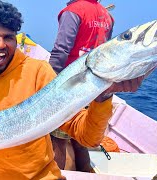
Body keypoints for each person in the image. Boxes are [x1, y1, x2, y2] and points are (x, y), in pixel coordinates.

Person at [0, 0, 143, 179]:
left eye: (9, 37)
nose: (1, 45)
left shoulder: (38, 71)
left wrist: (104, 97)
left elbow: (89, 137)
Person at [49, 0, 115, 172]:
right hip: (93, 88)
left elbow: (61, 50)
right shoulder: (107, 16)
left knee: (58, 140)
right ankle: (86, 173)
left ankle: (58, 175)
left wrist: (47, 82)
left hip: (70, 87)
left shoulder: (73, 11)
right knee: (81, 141)